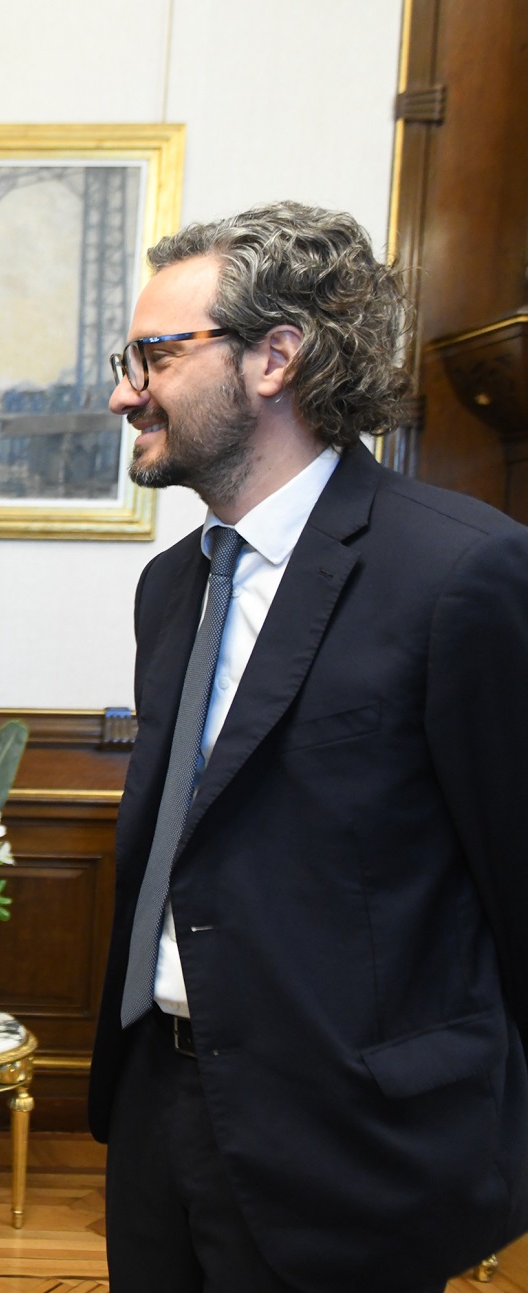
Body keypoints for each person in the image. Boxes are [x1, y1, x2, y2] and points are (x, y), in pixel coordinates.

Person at [89, 202, 528, 1293]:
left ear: (273, 357)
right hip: (159, 1105)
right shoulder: (171, 587)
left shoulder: (459, 572)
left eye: (153, 354)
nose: (121, 391)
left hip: (351, 1145)